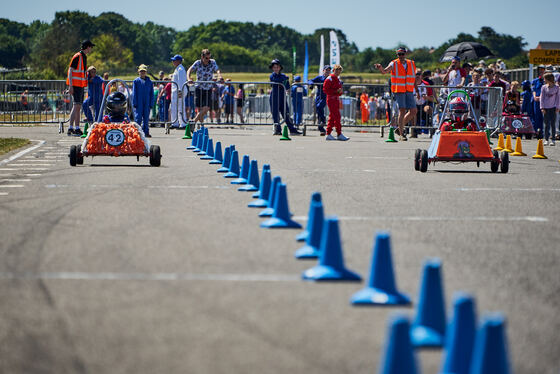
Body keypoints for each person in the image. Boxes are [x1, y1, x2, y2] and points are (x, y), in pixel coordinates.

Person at [374, 47, 418, 141]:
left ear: (405, 54)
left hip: (409, 90)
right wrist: (380, 68)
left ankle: (399, 128)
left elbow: (413, 78)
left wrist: (417, 90)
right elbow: (385, 72)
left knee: (413, 111)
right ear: (397, 55)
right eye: (399, 54)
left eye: (402, 54)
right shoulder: (393, 63)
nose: (401, 56)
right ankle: (402, 135)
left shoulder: (411, 63)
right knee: (402, 110)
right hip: (399, 90)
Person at [187, 49, 222, 129]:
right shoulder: (197, 63)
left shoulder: (212, 62)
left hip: (208, 88)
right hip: (199, 88)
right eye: (206, 58)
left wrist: (220, 76)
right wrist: (189, 78)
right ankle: (201, 126)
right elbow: (189, 70)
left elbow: (217, 70)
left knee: (206, 108)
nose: (208, 60)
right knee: (199, 109)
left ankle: (193, 122)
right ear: (202, 57)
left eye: (209, 58)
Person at [66, 39, 94, 136]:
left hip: (80, 85)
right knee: (76, 106)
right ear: (87, 47)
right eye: (90, 47)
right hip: (76, 85)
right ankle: (70, 127)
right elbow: (70, 70)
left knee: (78, 107)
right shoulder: (78, 56)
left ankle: (77, 128)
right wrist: (71, 86)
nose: (91, 49)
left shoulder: (83, 57)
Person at [268, 59, 301, 135]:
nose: (276, 69)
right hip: (274, 97)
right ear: (272, 68)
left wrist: (285, 81)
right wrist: (284, 80)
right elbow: (277, 81)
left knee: (286, 113)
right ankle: (278, 130)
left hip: (282, 97)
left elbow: (287, 85)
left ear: (280, 67)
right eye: (274, 67)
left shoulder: (283, 76)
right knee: (275, 114)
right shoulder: (272, 75)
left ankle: (292, 129)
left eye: (277, 67)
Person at [323, 64, 349, 141]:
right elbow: (325, 90)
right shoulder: (329, 79)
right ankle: (339, 133)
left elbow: (339, 91)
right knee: (337, 116)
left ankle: (329, 133)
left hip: (336, 99)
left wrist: (339, 92)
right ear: (333, 71)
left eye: (339, 72)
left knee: (332, 117)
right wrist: (336, 91)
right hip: (331, 99)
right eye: (336, 71)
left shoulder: (337, 79)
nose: (338, 73)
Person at [307, 65, 331, 135]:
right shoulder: (319, 78)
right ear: (323, 70)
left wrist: (340, 83)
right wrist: (311, 84)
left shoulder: (331, 78)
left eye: (329, 70)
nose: (327, 71)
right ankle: (321, 128)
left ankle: (323, 120)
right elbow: (310, 80)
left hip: (326, 97)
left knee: (319, 107)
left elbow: (338, 81)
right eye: (326, 70)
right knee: (318, 110)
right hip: (318, 96)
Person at [132, 64, 155, 137]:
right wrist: (134, 102)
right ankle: (137, 132)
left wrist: (151, 103)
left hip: (147, 102)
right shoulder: (136, 81)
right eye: (141, 71)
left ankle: (146, 132)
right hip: (139, 102)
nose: (142, 73)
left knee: (146, 118)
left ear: (146, 72)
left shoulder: (149, 82)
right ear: (138, 72)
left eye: (144, 71)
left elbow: (151, 93)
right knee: (138, 117)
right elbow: (134, 92)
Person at [540, 73, 560, 146]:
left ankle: (553, 139)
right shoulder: (543, 87)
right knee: (546, 124)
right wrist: (542, 107)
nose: (544, 80)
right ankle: (546, 139)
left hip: (553, 107)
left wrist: (558, 107)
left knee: (553, 124)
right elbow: (542, 98)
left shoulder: (557, 88)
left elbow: (558, 98)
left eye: (545, 78)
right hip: (546, 107)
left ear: (549, 79)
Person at [169, 54, 187, 129]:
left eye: (174, 60)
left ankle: (183, 123)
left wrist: (180, 91)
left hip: (179, 91)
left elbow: (181, 81)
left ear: (178, 61)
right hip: (175, 91)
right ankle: (175, 123)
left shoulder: (180, 69)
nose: (173, 62)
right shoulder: (177, 68)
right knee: (174, 107)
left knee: (180, 107)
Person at [531, 65, 546, 137]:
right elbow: (534, 89)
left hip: (544, 100)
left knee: (543, 116)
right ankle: (536, 131)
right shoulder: (535, 80)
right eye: (540, 70)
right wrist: (534, 96)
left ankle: (543, 132)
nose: (541, 71)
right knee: (536, 116)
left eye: (542, 70)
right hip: (536, 100)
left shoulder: (546, 81)